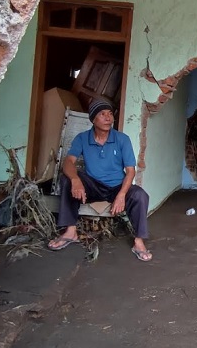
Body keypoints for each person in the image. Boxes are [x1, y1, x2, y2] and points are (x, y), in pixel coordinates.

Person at [47, 98, 152, 261]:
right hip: (93, 186)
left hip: (117, 186)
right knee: (67, 179)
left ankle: (138, 241)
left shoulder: (122, 139)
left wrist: (121, 195)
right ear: (93, 119)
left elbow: (130, 171)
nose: (108, 118)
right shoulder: (82, 138)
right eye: (102, 114)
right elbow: (68, 162)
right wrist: (75, 180)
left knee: (140, 195)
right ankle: (70, 231)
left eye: (110, 114)